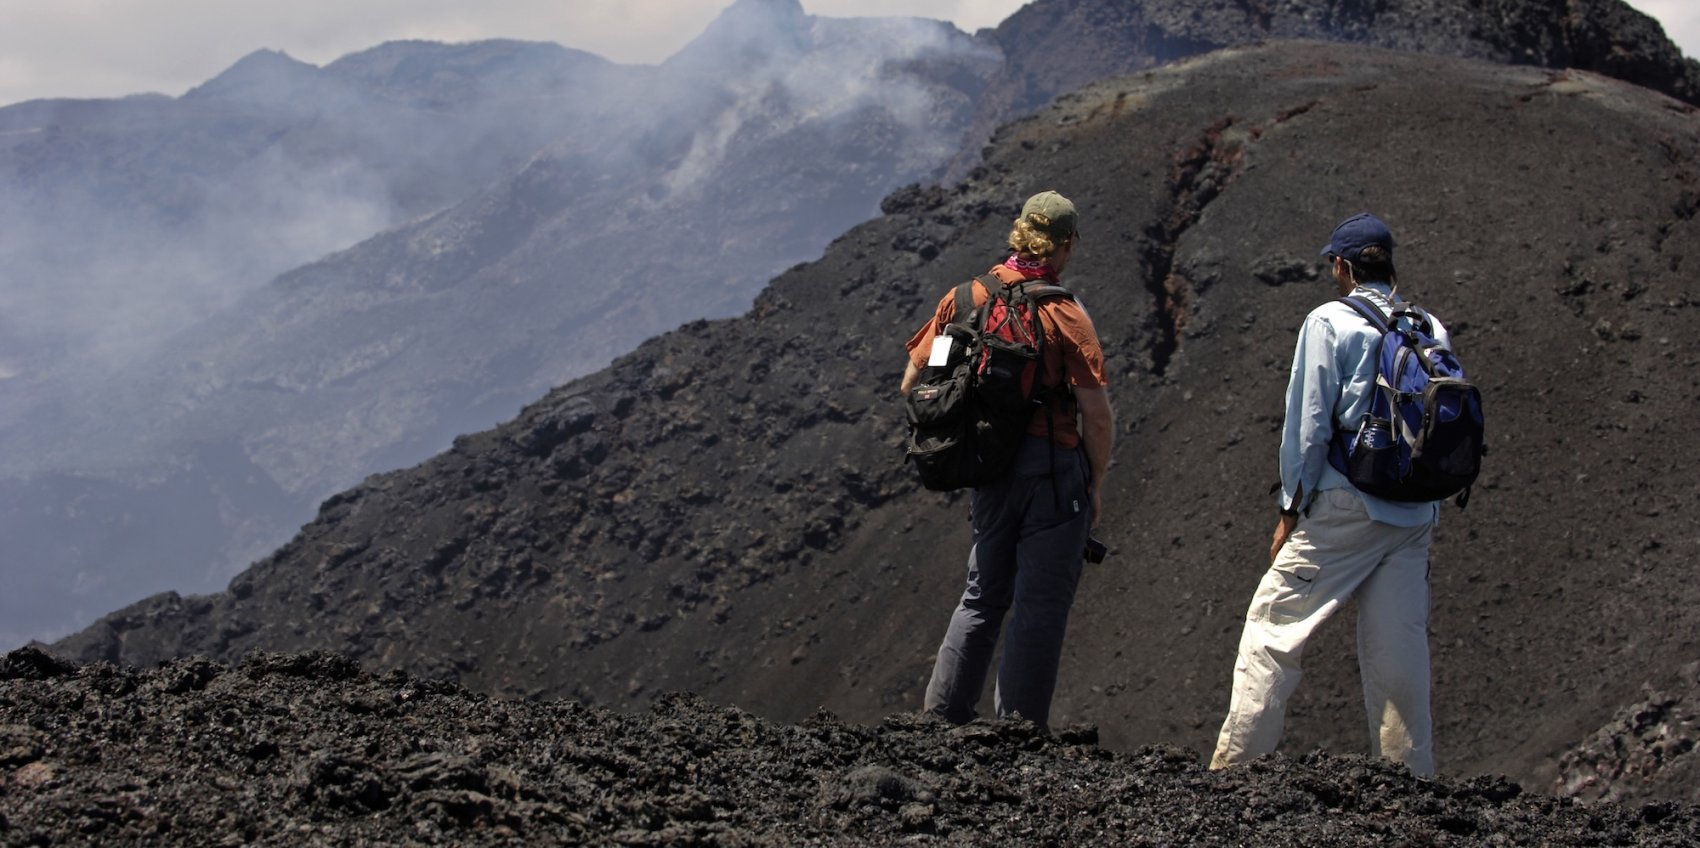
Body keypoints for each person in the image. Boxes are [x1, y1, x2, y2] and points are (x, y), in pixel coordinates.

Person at [1210, 212, 1449, 775]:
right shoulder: (1429, 325)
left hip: (1348, 504)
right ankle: (1411, 779)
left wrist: (1291, 506)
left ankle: (1235, 771)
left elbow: (1308, 424)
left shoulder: (1329, 321)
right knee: (1400, 649)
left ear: (1341, 266)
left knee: (1273, 629)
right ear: (1387, 262)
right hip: (1416, 510)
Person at [899, 190, 1114, 731]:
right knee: (1039, 606)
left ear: (1019, 233)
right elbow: (1098, 416)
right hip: (1052, 473)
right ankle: (1018, 732)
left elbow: (912, 382)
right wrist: (1094, 482)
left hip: (987, 469)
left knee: (981, 597)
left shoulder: (964, 300)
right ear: (1065, 246)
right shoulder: (1064, 312)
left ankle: (941, 720)